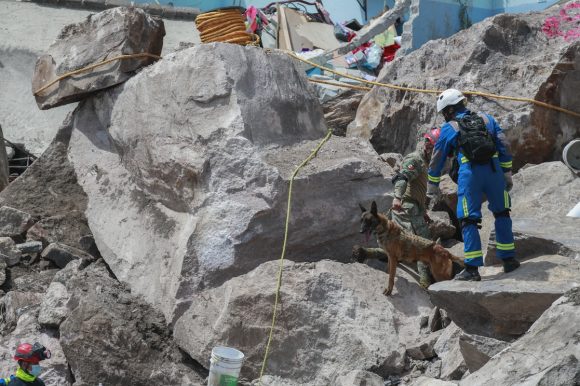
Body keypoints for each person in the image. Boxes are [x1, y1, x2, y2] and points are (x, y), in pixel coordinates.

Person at [426, 88, 520, 281]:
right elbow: (504, 145)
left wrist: (432, 186)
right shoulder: (487, 119)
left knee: (469, 220)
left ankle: (472, 269)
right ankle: (509, 260)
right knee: (502, 213)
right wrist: (506, 173)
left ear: (448, 111)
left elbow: (437, 158)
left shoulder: (450, 128)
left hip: (470, 175)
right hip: (494, 172)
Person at [354, 127, 442, 288]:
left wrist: (423, 212)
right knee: (424, 245)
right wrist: (397, 198)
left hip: (413, 208)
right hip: (406, 209)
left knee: (399, 245)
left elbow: (418, 190)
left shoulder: (426, 162)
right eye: (434, 148)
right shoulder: (415, 160)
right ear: (427, 144)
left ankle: (367, 253)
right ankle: (425, 283)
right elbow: (402, 178)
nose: (436, 152)